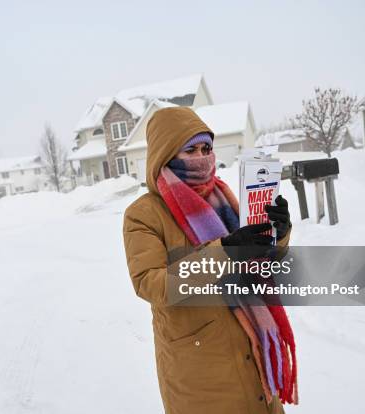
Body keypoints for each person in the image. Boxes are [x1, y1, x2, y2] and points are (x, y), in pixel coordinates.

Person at [122, 107, 295, 414]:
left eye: (207, 148)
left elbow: (259, 267)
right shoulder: (144, 213)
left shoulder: (223, 198)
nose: (202, 157)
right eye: (191, 149)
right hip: (201, 369)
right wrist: (224, 251)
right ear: (166, 154)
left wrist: (277, 235)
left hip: (253, 350)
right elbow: (151, 284)